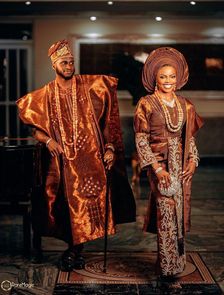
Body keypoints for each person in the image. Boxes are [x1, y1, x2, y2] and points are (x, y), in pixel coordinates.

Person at [17, 40, 135, 271]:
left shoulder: (90, 88)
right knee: (62, 207)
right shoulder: (45, 95)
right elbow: (35, 128)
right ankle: (73, 249)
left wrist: (109, 148)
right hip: (62, 163)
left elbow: (106, 124)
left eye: (71, 62)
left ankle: (74, 251)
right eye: (64, 62)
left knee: (89, 207)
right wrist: (49, 140)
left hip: (91, 161)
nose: (69, 66)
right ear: (54, 65)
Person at [134, 47, 204, 278]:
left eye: (172, 76)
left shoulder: (186, 105)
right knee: (166, 213)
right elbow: (141, 140)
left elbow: (189, 138)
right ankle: (166, 266)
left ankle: (177, 262)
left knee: (180, 216)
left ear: (179, 78)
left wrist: (193, 162)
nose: (168, 81)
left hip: (182, 167)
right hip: (160, 166)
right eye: (163, 76)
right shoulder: (146, 103)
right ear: (155, 77)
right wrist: (156, 169)